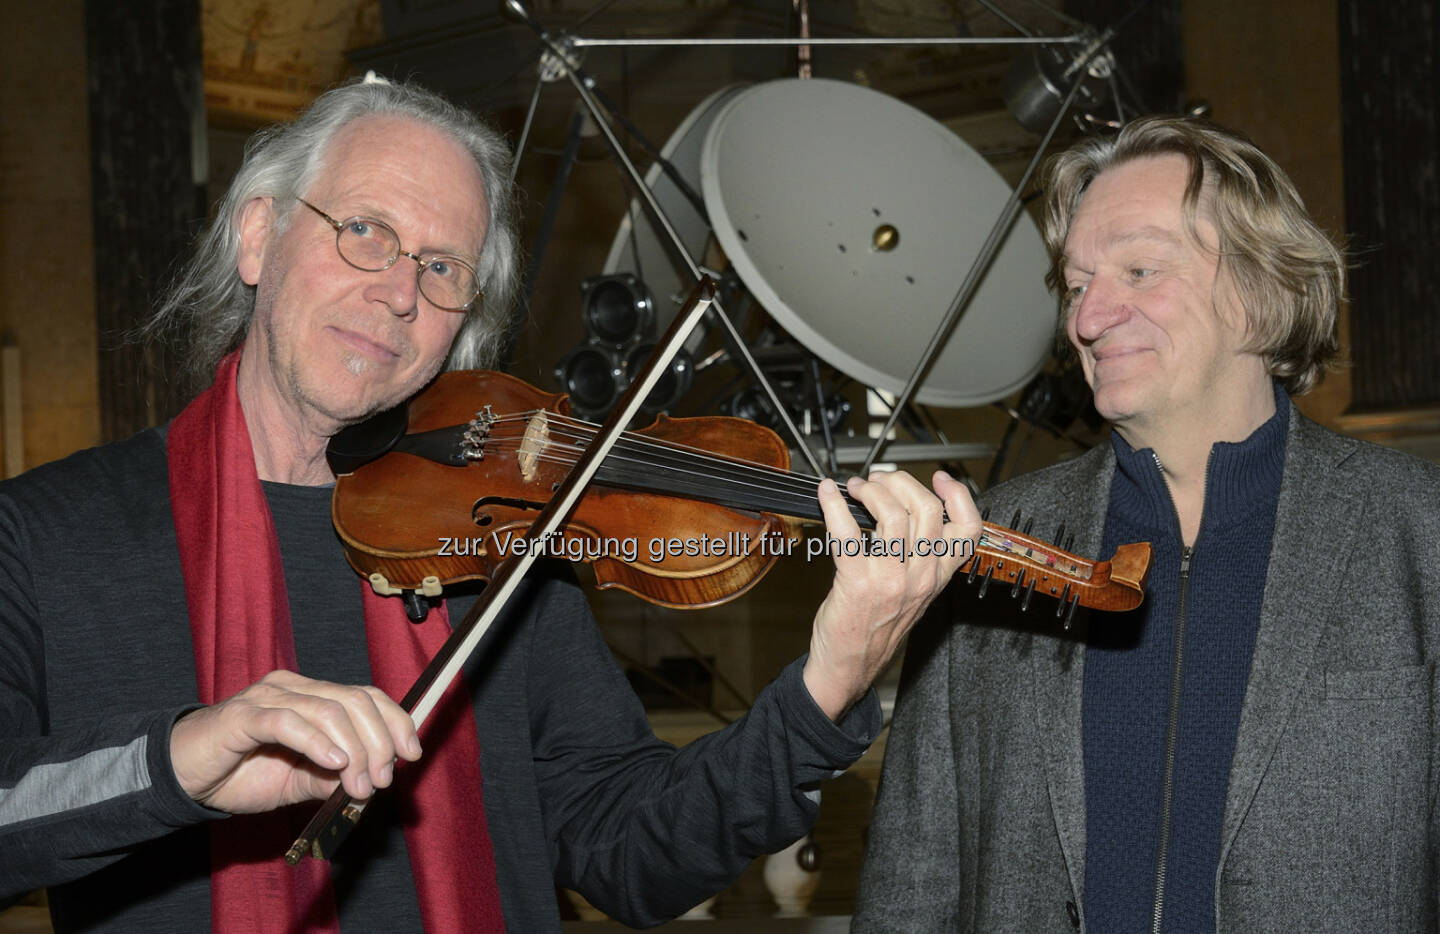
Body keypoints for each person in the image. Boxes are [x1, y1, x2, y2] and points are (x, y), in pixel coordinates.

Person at [0, 77, 979, 932]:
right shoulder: (49, 533)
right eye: (366, 232)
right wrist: (182, 756)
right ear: (258, 235)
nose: (398, 293)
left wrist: (830, 683)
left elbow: (635, 856)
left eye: (443, 268)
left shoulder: (504, 540)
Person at [853, 116, 1440, 932]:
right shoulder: (987, 543)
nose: (1089, 318)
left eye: (1138, 269)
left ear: (1263, 289)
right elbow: (912, 887)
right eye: (1076, 283)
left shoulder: (1418, 536)